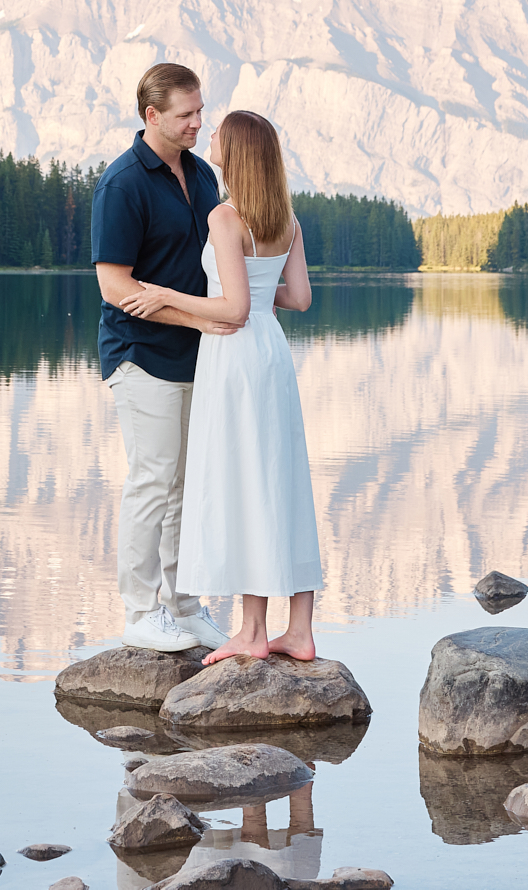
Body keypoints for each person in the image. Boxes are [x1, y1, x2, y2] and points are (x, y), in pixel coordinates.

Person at [120, 108, 322, 664]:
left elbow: (230, 311)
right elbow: (299, 298)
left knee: (242, 482)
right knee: (282, 479)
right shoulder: (289, 219)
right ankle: (299, 630)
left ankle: (253, 633)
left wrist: (164, 295)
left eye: (218, 133)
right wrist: (258, 294)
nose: (207, 135)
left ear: (235, 153)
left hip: (235, 359)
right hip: (273, 353)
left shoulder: (226, 218)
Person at [91, 62, 237, 654]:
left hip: (198, 357)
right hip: (141, 356)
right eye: (187, 114)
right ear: (151, 115)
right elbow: (114, 286)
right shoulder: (122, 184)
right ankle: (139, 611)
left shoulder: (201, 175)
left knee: (188, 486)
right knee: (153, 481)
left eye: (201, 110)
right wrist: (201, 316)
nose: (199, 123)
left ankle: (184, 606)